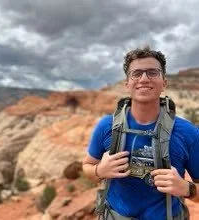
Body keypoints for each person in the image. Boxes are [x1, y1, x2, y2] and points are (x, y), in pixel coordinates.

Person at [82, 46, 199, 220]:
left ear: (164, 82)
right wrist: (100, 170)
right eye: (136, 73)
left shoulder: (187, 133)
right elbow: (87, 167)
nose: (144, 79)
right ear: (127, 83)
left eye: (152, 72)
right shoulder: (107, 126)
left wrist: (186, 188)